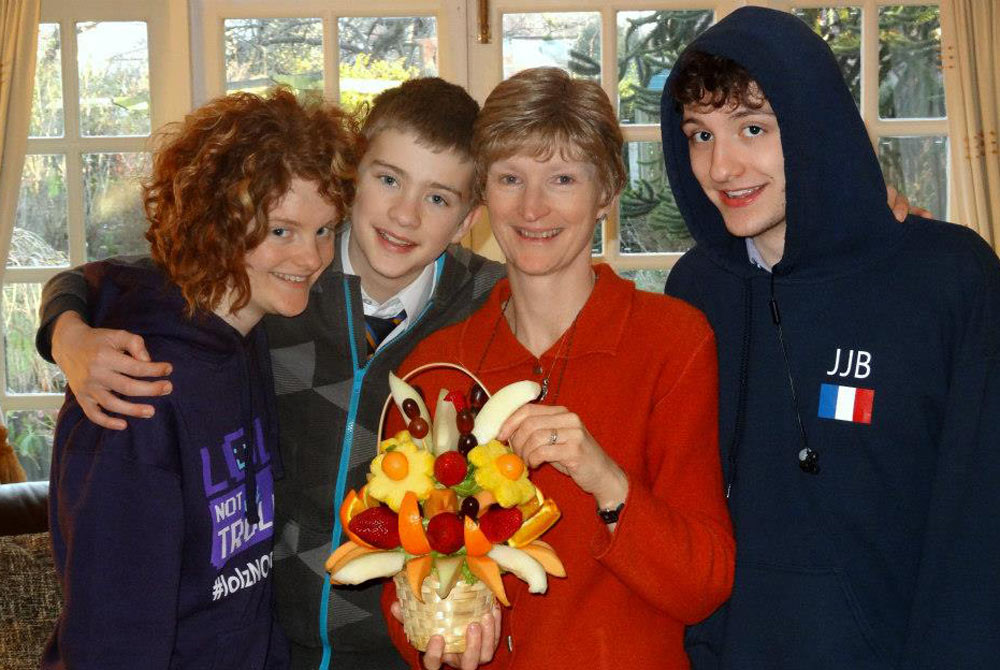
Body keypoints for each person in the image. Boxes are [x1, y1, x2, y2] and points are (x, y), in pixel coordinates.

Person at [34, 78, 504, 670]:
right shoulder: (221, 324)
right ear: (352, 179)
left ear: (468, 218)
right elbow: (103, 278)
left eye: (438, 198)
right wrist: (66, 332)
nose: (405, 214)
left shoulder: (487, 309)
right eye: (388, 179)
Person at [660, 7, 1000, 668]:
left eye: (753, 128)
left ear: (816, 125)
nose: (722, 166)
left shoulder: (950, 278)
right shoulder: (697, 289)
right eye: (699, 135)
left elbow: (977, 523)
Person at [384, 66, 735, 670]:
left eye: (563, 178)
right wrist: (433, 640)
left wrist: (606, 479)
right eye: (510, 178)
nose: (532, 207)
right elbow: (404, 583)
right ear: (484, 194)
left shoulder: (672, 341)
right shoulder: (435, 370)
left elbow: (703, 585)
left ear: (606, 194)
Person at [42, 88, 360, 669]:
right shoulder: (138, 382)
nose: (311, 258)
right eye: (282, 231)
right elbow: (112, 634)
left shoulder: (247, 331)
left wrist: (61, 320)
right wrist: (66, 331)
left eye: (324, 230)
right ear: (215, 227)